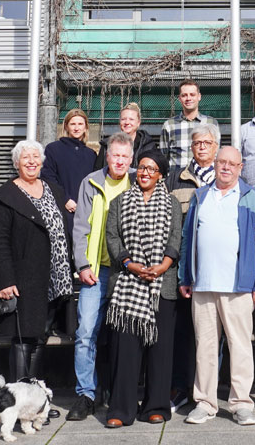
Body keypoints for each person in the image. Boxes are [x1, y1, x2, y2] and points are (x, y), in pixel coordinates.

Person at [178, 146, 255, 426]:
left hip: (238, 287)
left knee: (240, 346)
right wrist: (186, 276)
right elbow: (187, 240)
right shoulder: (201, 196)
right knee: (204, 347)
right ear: (215, 164)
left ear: (241, 167)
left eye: (232, 163)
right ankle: (205, 402)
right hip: (203, 286)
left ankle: (241, 403)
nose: (226, 167)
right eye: (222, 162)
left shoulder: (251, 197)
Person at [103, 150, 182, 428]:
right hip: (128, 285)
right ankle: (121, 409)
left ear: (160, 175)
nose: (146, 173)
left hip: (162, 285)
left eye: (152, 169)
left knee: (160, 351)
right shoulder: (120, 201)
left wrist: (162, 266)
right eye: (142, 168)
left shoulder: (171, 203)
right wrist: (129, 264)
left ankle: (156, 406)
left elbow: (175, 238)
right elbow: (112, 237)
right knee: (125, 351)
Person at [0, 142, 72, 402]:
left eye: (36, 156)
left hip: (54, 278)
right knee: (24, 339)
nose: (31, 161)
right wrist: (5, 280)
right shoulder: (7, 195)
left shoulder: (53, 189)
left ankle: (35, 401)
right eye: (25, 157)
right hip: (24, 279)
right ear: (16, 162)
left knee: (39, 338)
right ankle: (18, 401)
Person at [67, 133, 134, 421]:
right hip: (95, 271)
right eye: (115, 155)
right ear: (107, 156)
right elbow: (80, 227)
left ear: (130, 159)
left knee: (124, 336)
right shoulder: (91, 182)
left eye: (124, 156)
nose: (119, 161)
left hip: (127, 273)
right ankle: (86, 393)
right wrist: (82, 265)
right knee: (85, 334)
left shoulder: (136, 180)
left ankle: (121, 392)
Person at [164, 122, 220, 409]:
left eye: (207, 143)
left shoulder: (226, 178)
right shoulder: (176, 180)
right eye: (197, 143)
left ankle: (208, 390)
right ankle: (181, 387)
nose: (201, 147)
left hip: (216, 270)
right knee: (182, 331)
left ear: (216, 147)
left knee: (212, 334)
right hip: (183, 270)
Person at [42, 108, 96, 223]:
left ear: (86, 127)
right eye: (73, 124)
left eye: (80, 124)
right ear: (66, 126)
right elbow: (48, 178)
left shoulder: (91, 154)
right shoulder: (53, 149)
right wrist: (64, 199)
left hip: (86, 212)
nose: (76, 128)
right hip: (60, 211)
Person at [161, 80, 221, 172]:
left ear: (199, 97)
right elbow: (163, 158)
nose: (188, 98)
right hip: (177, 181)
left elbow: (216, 154)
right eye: (184, 95)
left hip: (205, 180)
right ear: (179, 98)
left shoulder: (211, 123)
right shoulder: (169, 125)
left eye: (192, 95)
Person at [95, 102, 156, 170]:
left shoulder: (148, 146)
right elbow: (98, 171)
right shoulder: (107, 145)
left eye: (131, 119)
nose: (127, 122)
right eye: (123, 119)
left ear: (138, 123)